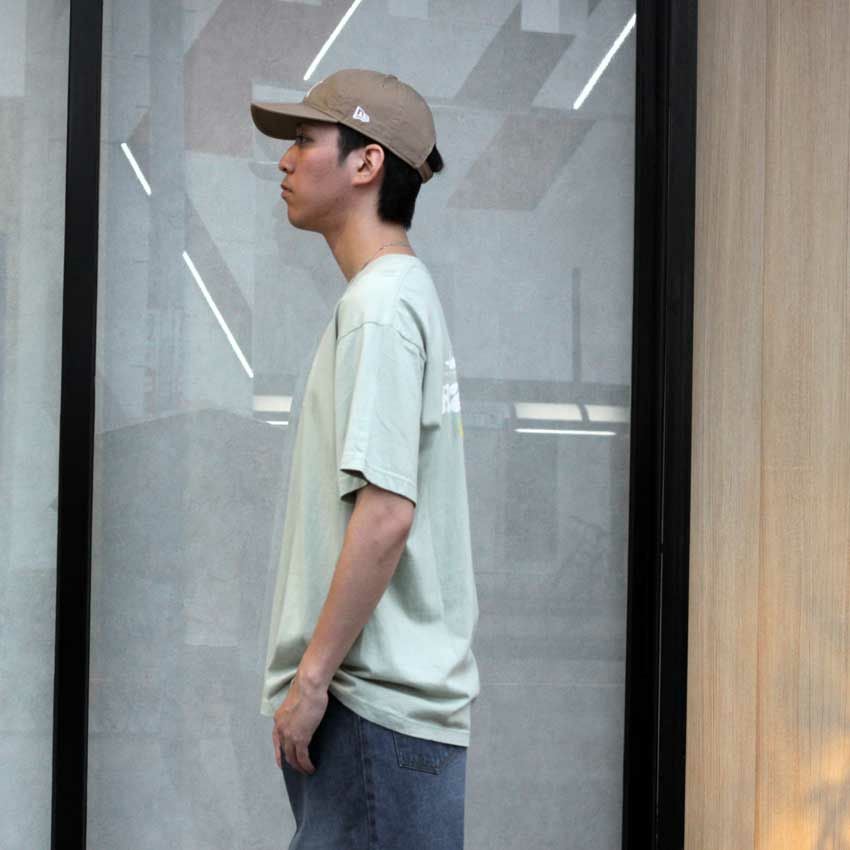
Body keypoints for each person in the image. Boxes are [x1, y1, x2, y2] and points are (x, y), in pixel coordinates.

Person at [250, 68, 480, 849]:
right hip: (389, 716)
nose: (285, 160)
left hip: (370, 711)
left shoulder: (381, 307)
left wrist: (312, 680)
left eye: (304, 139)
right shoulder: (399, 297)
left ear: (367, 162)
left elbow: (385, 516)